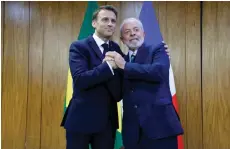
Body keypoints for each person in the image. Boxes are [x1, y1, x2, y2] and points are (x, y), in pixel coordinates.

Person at [61, 5, 171, 149]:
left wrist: (160, 56)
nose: (110, 23)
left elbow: (129, 68)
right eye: (105, 19)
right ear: (94, 23)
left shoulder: (116, 50)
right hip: (81, 119)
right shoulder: (79, 47)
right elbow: (80, 80)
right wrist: (106, 67)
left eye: (113, 21)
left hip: (107, 123)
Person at [105, 18, 184, 149]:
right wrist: (108, 69)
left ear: (144, 34)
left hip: (160, 126)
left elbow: (158, 72)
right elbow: (117, 93)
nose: (132, 34)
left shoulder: (158, 50)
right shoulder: (120, 61)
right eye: (127, 32)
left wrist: (125, 66)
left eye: (136, 30)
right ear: (122, 39)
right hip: (132, 132)